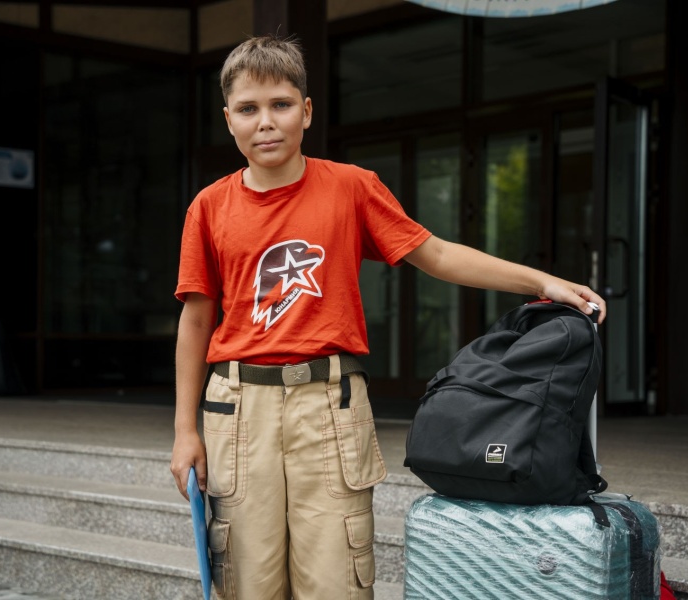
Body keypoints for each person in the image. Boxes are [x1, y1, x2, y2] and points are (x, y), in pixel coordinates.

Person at [171, 34, 607, 600]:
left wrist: (543, 283)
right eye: (249, 109)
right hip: (237, 410)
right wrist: (184, 431)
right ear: (229, 119)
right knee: (246, 582)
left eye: (281, 104)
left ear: (307, 111)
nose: (266, 122)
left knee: (336, 580)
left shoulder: (351, 188)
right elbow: (196, 321)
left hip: (328, 407)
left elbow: (437, 254)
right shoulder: (209, 206)